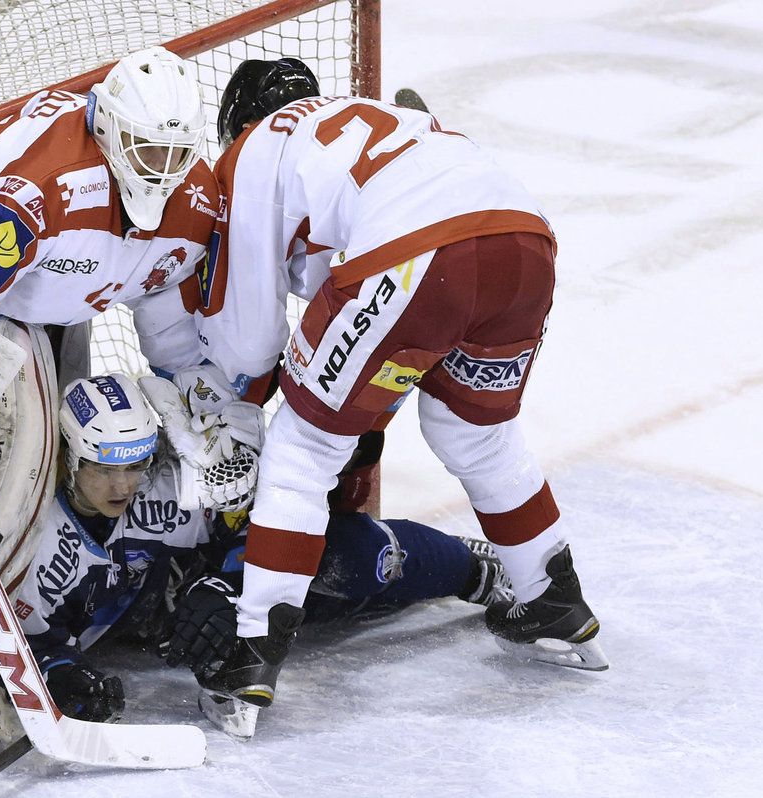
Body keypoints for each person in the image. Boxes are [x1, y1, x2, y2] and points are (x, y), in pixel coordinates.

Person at [193, 58, 607, 716]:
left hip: (420, 253)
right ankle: (552, 596)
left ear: (236, 123)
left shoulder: (249, 151)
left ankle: (251, 652)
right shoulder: (389, 121)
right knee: (478, 434)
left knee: (302, 447)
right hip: (525, 240)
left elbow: (247, 338)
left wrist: (236, 389)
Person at [0, 372, 512, 752]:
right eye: (105, 466)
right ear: (68, 457)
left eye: (134, 464)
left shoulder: (166, 487)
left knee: (350, 557)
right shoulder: (27, 527)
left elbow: (258, 522)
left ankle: (474, 568)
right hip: (146, 625)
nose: (124, 484)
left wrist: (224, 584)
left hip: (191, 592)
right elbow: (23, 624)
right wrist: (65, 674)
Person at [0, 45, 216, 377]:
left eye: (178, 152)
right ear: (105, 128)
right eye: (148, 148)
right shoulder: (38, 193)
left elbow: (169, 314)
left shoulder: (196, 201)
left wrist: (196, 388)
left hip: (26, 284)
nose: (163, 168)